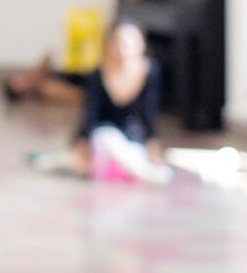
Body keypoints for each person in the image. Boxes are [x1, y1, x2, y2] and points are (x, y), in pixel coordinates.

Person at [27, 21, 170, 183]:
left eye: (129, 43)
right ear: (110, 45)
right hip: (102, 137)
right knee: (106, 138)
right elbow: (91, 115)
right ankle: (143, 173)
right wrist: (82, 141)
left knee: (125, 154)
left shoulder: (150, 72)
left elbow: (149, 114)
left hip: (130, 141)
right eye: (119, 43)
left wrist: (153, 145)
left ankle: (73, 163)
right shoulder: (98, 74)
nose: (124, 49)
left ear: (141, 45)